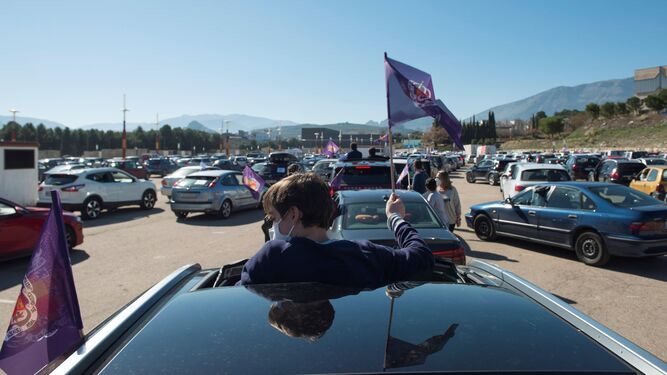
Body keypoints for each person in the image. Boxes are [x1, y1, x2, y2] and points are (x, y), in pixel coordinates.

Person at [239, 173, 434, 287]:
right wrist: (395, 218)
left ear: (293, 214)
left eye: (272, 217)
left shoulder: (271, 257)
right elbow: (421, 257)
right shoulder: (365, 255)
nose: (271, 225)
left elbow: (240, 296)